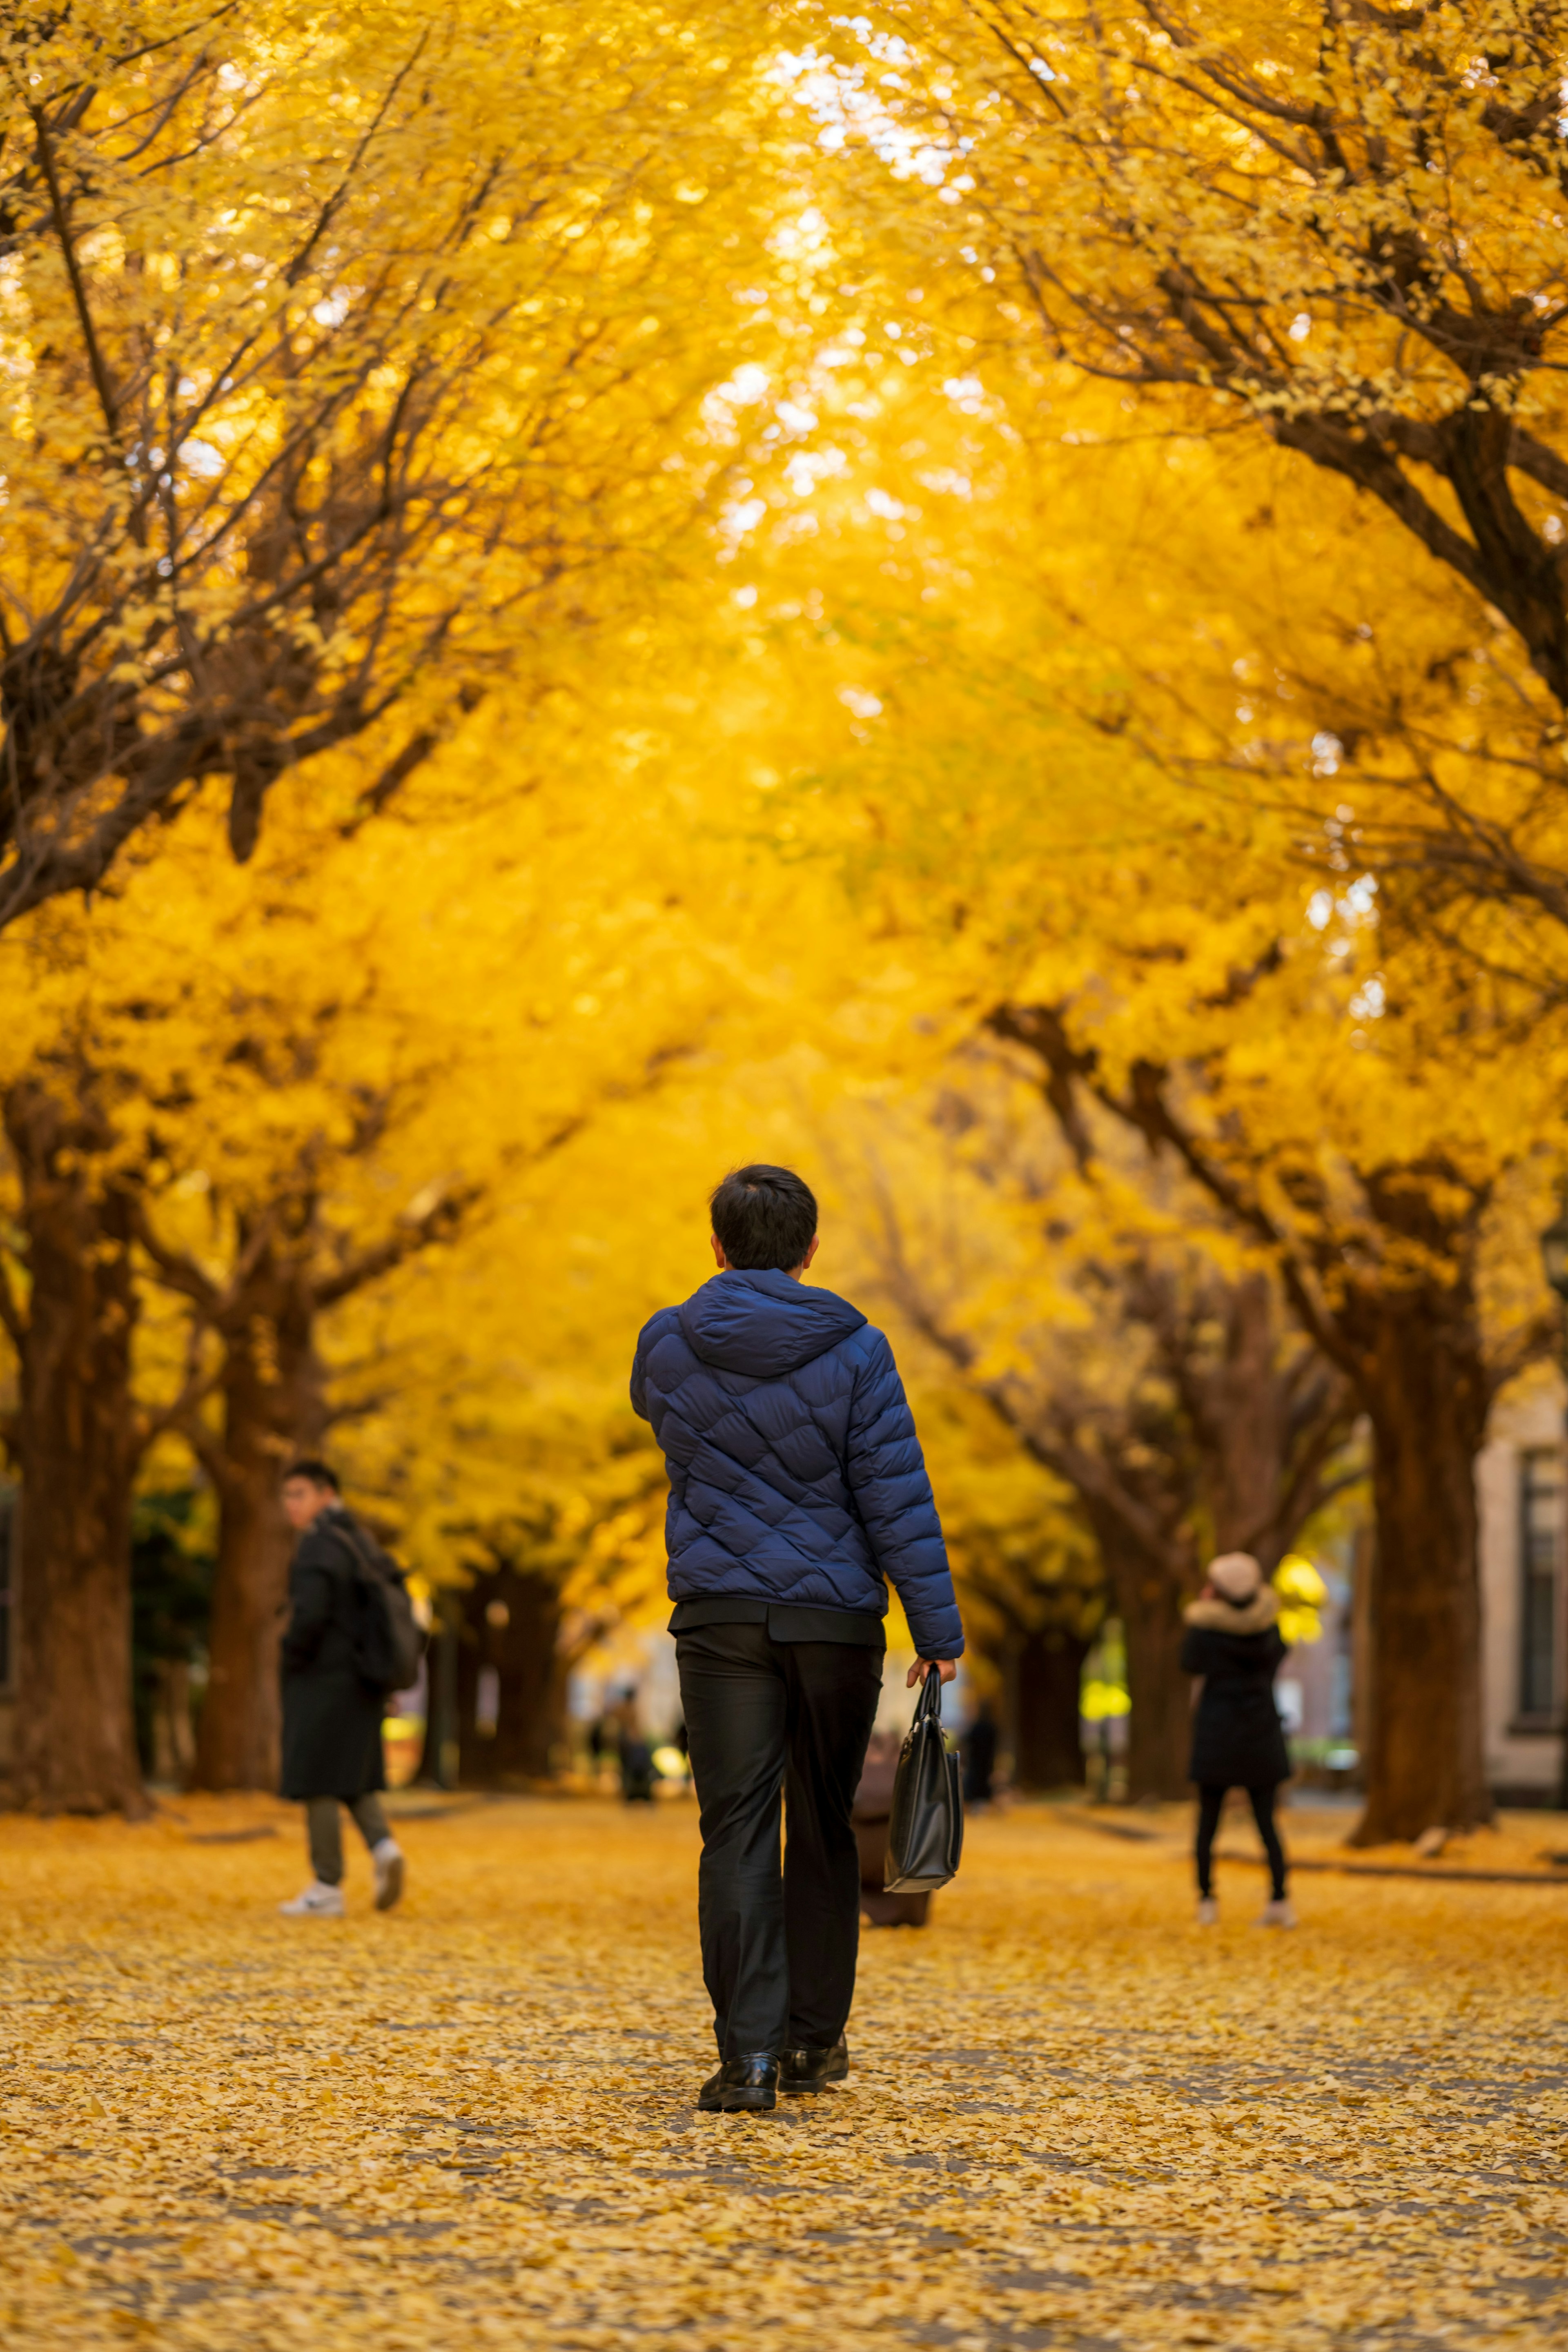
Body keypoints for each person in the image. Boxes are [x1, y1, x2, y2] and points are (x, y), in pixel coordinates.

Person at [631, 1163, 964, 2114]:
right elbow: (893, 1493)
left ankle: (747, 2059)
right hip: (832, 1622)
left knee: (733, 1825)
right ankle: (813, 2040)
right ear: (812, 1250)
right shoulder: (859, 1349)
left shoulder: (667, 1341)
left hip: (720, 1616)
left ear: (715, 1243)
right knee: (822, 1821)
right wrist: (935, 1626)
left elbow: (651, 1406)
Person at [276, 1460, 406, 1918]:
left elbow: (310, 1616)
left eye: (299, 1494)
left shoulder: (319, 1547)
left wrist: (289, 1655)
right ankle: (385, 1848)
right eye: (287, 1495)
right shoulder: (361, 1542)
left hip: (325, 1677)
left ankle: (326, 1886)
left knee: (317, 1778)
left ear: (325, 1494)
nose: (290, 1505)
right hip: (366, 1677)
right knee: (354, 1775)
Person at [1180, 1550, 1294, 1928]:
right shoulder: (1268, 1630)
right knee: (1267, 1824)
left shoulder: (1204, 1631)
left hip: (1217, 1731)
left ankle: (1206, 1900)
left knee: (1208, 1824)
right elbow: (1278, 1657)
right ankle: (1280, 1900)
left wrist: (1203, 1610)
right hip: (1260, 1729)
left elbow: (1188, 1663)